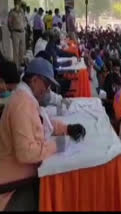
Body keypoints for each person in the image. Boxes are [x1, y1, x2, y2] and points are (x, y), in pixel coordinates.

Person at [0, 58, 86, 211]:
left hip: (20, 175)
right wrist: (56, 145)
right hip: (12, 186)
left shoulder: (26, 98)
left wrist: (68, 128)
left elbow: (43, 123)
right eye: (46, 84)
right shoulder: (21, 104)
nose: (47, 90)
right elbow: (26, 154)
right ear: (34, 80)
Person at [7, 0, 26, 68]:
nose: (18, 4)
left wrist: (24, 27)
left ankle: (21, 65)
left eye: (19, 2)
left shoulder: (22, 11)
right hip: (15, 33)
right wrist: (12, 31)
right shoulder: (12, 12)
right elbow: (9, 23)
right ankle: (16, 67)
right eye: (17, 2)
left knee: (22, 50)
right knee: (16, 51)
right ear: (15, 3)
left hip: (22, 32)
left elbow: (24, 20)